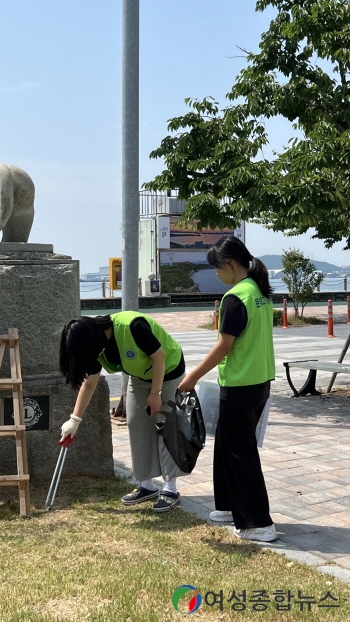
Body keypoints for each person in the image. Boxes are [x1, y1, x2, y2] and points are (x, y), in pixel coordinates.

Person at [178, 235, 277, 542]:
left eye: (217, 269)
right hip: (259, 380)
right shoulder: (260, 292)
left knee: (240, 452)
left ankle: (258, 523)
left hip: (240, 383)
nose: (216, 275)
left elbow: (224, 346)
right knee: (226, 443)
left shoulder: (236, 298)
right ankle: (228, 506)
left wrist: (192, 376)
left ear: (231, 264)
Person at [59, 311, 187, 512]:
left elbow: (159, 357)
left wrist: (156, 393)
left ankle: (170, 489)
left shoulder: (132, 326)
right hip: (139, 375)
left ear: (91, 339)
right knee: (135, 422)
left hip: (168, 370)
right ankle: (147, 485)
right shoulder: (95, 346)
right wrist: (75, 420)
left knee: (166, 425)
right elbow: (89, 384)